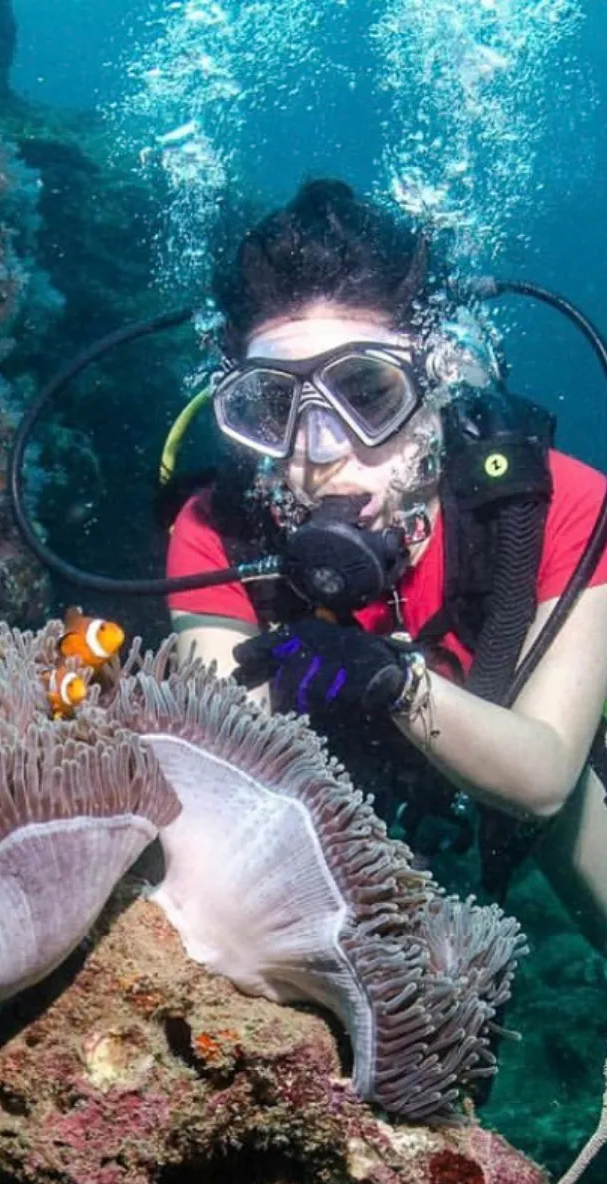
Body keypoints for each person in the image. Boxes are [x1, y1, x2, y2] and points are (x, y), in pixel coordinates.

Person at [165, 179, 607, 942]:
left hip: (528, 784)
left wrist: (390, 680)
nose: (319, 454)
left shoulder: (555, 506)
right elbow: (223, 780)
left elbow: (542, 779)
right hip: (329, 806)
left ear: (438, 385)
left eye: (367, 394)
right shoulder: (217, 534)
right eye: (273, 409)